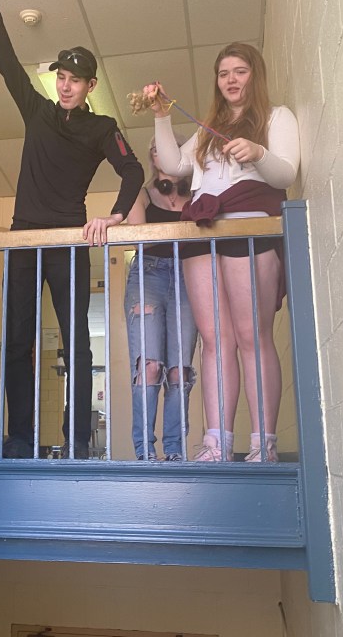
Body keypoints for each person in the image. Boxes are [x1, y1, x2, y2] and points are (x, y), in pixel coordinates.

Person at [0, 0, 144, 459]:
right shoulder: (38, 111)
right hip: (25, 238)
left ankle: (80, 440)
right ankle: (21, 437)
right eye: (61, 77)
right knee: (18, 338)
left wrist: (114, 215)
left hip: (70, 240)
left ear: (91, 85)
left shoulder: (101, 126)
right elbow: (7, 64)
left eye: (76, 79)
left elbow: (133, 171)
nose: (66, 85)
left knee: (78, 344)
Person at [143, 42, 299, 462]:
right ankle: (217, 442)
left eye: (240, 71)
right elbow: (175, 165)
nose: (230, 79)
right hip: (203, 230)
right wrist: (162, 115)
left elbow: (287, 170)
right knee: (213, 342)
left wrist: (259, 152)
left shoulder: (275, 116)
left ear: (256, 75)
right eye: (223, 72)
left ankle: (262, 443)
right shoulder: (208, 127)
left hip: (249, 227)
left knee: (252, 336)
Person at [123, 139, 198, 461]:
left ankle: (175, 451)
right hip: (148, 274)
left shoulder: (198, 193)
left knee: (180, 371)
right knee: (149, 366)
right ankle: (144, 452)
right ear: (152, 158)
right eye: (156, 148)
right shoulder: (141, 193)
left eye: (171, 146)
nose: (163, 152)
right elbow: (137, 230)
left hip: (189, 273)